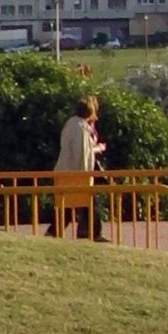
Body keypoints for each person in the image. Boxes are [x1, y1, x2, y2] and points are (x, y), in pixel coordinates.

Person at [52, 95, 103, 238]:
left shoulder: (71, 124)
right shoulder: (81, 128)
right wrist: (98, 149)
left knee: (68, 207)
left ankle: (55, 231)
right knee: (85, 204)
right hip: (76, 173)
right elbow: (82, 153)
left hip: (65, 171)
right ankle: (93, 233)